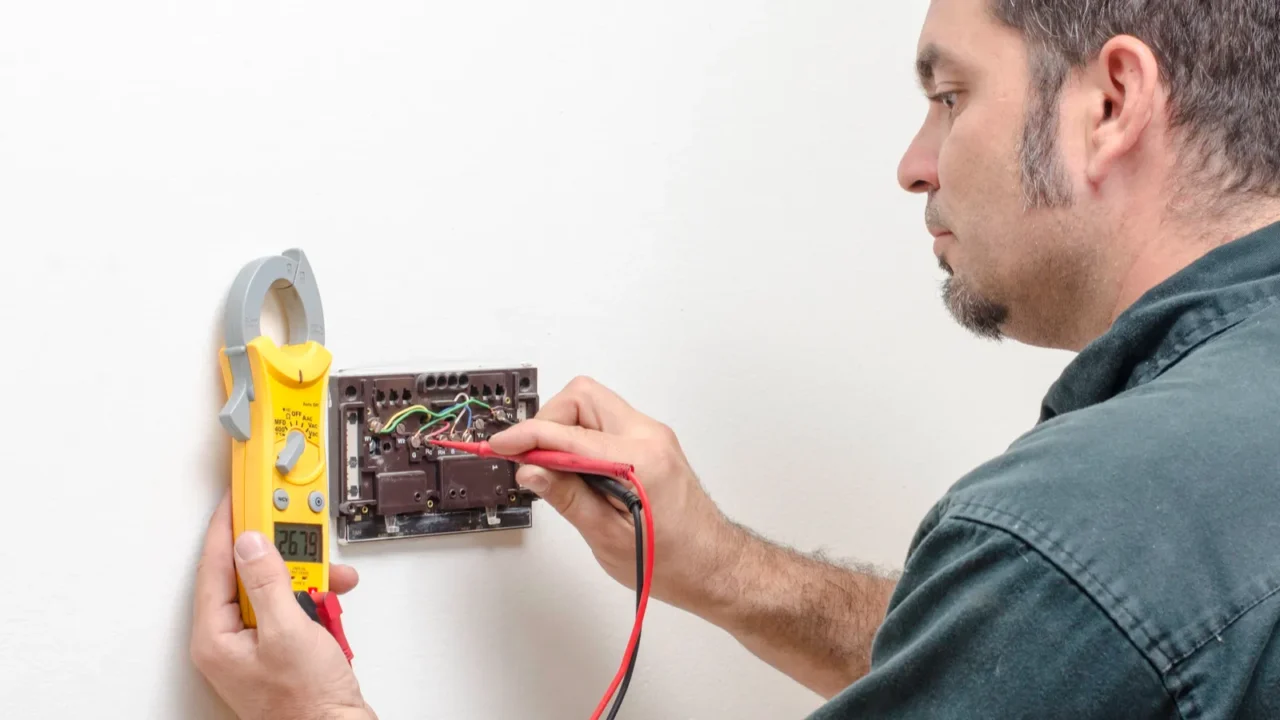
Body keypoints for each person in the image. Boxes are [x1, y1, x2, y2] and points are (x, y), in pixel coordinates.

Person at [191, 0, 1280, 716]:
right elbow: (1037, 664)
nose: (912, 166)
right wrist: (718, 568)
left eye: (948, 97)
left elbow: (1065, 611)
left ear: (1111, 100)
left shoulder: (1075, 534)